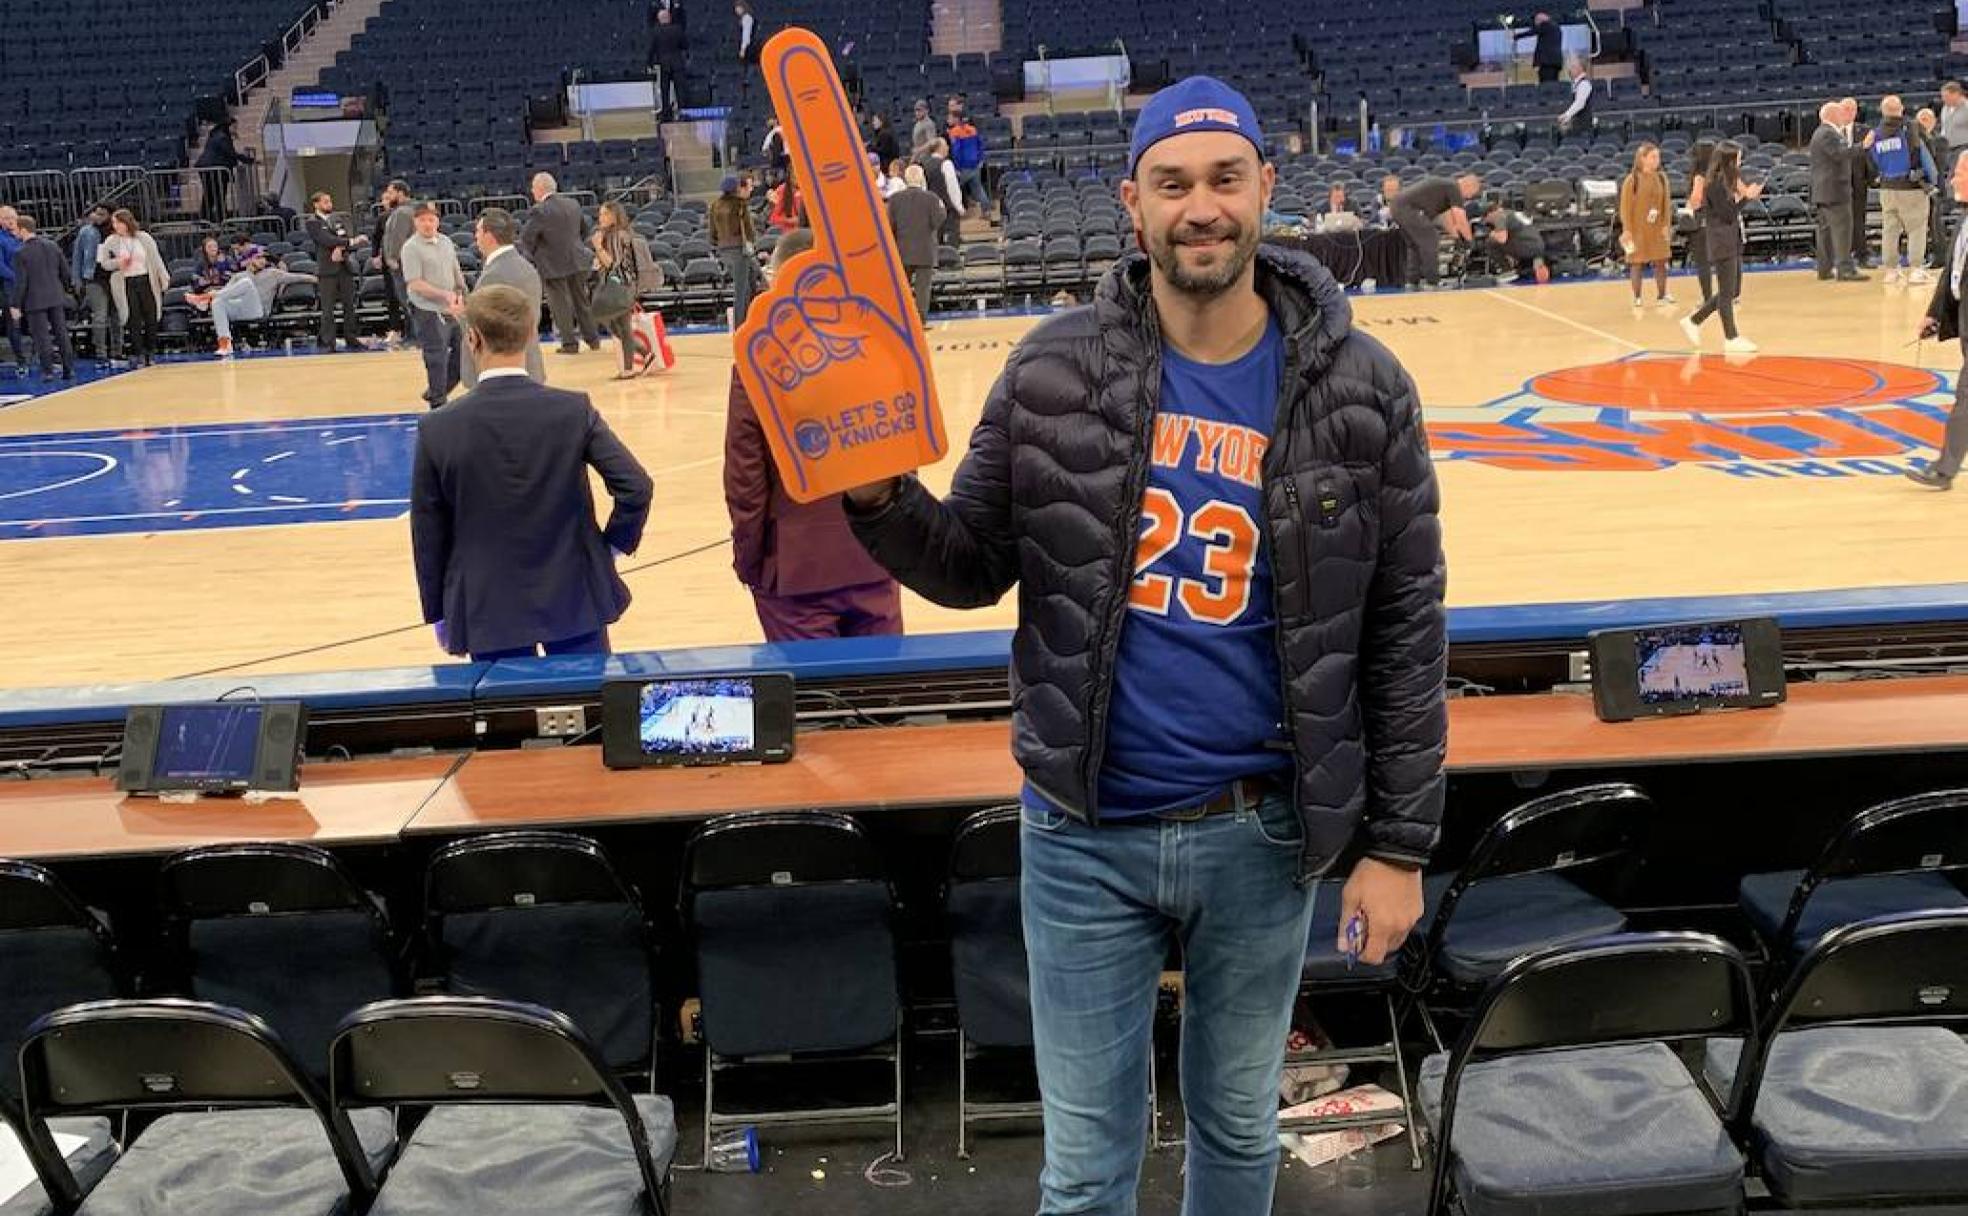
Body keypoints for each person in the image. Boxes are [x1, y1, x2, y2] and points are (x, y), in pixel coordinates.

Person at [843, 74, 1443, 1215]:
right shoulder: (1053, 368)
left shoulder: (1364, 389)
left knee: (1235, 1135)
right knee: (1084, 1169)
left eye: (1225, 179)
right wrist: (876, 496)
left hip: (1263, 835)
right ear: (1134, 200)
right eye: (1173, 184)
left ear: (1267, 187)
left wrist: (1401, 844)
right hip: (1082, 836)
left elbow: (1404, 627)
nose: (1201, 207)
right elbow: (971, 562)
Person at [411, 284, 653, 660]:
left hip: (486, 606)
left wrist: (440, 611)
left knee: (507, 716)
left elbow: (428, 531)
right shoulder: (572, 410)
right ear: (530, 333)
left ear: (472, 338)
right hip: (574, 594)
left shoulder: (438, 427)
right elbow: (635, 486)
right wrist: (610, 548)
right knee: (588, 709)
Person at [724, 226, 905, 642]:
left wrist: (750, 560)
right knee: (885, 702)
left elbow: (744, 478)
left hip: (795, 567)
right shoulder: (882, 348)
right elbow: (902, 456)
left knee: (811, 704)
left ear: (781, 279)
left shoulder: (757, 363)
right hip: (874, 557)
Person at [1910, 149, 1968, 489]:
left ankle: (1944, 470)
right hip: (1963, 323)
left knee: (1965, 400)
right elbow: (1953, 274)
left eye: (1959, 173)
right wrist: (1933, 314)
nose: (1952, 180)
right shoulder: (1963, 219)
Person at [1679, 141, 1761, 354]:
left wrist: (1744, 196)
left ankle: (1694, 320)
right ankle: (1731, 337)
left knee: (1730, 290)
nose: (1740, 162)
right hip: (1720, 240)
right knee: (1727, 293)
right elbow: (1727, 213)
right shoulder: (1714, 184)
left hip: (1729, 238)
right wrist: (1746, 198)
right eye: (1738, 158)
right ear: (1729, 161)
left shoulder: (1725, 181)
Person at [520, 173, 601, 355]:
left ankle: (570, 343)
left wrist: (531, 258)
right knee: (582, 301)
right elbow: (584, 231)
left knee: (560, 305)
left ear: (540, 189)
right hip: (577, 260)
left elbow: (527, 238)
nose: (532, 191)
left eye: (533, 187)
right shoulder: (573, 204)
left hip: (553, 264)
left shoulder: (539, 210)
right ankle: (593, 339)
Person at [464, 207, 545, 386]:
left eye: (477, 231)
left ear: (489, 236)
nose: (475, 237)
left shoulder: (494, 274)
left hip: (501, 373)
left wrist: (461, 315)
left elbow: (485, 326)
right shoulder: (526, 267)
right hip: (528, 366)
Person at [400, 201, 467, 407]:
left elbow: (455, 271)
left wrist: (461, 293)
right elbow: (415, 283)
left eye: (431, 219)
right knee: (436, 357)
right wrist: (443, 295)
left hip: (452, 307)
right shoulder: (410, 248)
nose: (427, 224)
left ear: (437, 221)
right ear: (415, 223)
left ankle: (438, 390)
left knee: (465, 353)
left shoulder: (446, 241)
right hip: (427, 309)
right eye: (422, 220)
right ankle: (438, 403)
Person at [186, 251, 314, 357]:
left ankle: (205, 298)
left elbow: (297, 277)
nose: (263, 261)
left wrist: (317, 278)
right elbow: (226, 293)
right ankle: (225, 343)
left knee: (245, 283)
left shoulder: (273, 273)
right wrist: (218, 295)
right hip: (242, 308)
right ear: (249, 260)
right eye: (259, 258)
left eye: (265, 258)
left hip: (259, 311)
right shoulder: (238, 276)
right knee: (218, 302)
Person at [1871, 96, 1938, 285]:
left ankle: (1891, 271)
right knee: (1916, 228)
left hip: (1887, 188)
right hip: (1912, 187)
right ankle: (1916, 270)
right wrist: (1932, 182)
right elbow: (1925, 156)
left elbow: (1873, 159)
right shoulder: (1912, 128)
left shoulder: (1875, 134)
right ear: (1901, 109)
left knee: (1890, 230)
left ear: (1883, 111)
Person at [7, 216, 76, 379]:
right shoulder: (52, 245)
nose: (14, 232)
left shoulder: (20, 253)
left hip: (34, 300)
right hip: (55, 296)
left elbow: (21, 282)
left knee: (41, 337)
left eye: (15, 229)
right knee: (61, 334)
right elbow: (65, 272)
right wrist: (64, 290)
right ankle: (69, 369)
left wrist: (15, 304)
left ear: (23, 230)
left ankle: (48, 371)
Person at [590, 200, 652, 380]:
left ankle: (629, 368)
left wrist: (598, 247)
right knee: (616, 325)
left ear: (613, 216)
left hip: (622, 285)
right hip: (615, 285)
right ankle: (645, 355)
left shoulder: (619, 235)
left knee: (622, 327)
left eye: (603, 214)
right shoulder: (609, 234)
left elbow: (613, 264)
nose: (600, 218)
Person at [98, 209, 167, 367]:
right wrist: (117, 263)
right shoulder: (111, 241)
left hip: (146, 280)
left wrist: (163, 277)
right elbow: (103, 263)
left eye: (118, 222)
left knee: (151, 317)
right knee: (132, 318)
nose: (115, 226)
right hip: (126, 282)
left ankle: (151, 351)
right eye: (114, 223)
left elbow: (156, 259)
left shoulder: (144, 237)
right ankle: (139, 353)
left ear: (126, 222)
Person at [1810, 102, 1868, 281]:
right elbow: (1839, 154)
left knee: (1826, 232)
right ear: (1832, 115)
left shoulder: (1820, 133)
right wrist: (1862, 146)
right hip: (1835, 191)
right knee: (1842, 230)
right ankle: (1845, 269)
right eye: (1840, 112)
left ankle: (1825, 268)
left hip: (1825, 191)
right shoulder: (1828, 133)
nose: (1843, 115)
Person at [305, 191, 369, 351]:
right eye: (325, 202)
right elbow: (324, 239)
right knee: (328, 309)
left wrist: (341, 247)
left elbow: (342, 236)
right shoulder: (312, 222)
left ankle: (351, 337)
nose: (329, 204)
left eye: (330, 201)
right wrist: (347, 242)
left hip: (343, 266)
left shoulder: (337, 218)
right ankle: (328, 342)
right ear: (316, 204)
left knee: (349, 305)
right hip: (327, 269)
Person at [1391, 173, 1478, 288]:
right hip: (1409, 209)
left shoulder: (1445, 187)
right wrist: (1470, 241)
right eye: (1470, 194)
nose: (1468, 198)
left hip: (1397, 205)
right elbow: (1460, 217)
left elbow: (1446, 218)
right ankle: (1432, 282)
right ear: (1468, 185)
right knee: (1430, 240)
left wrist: (1457, 237)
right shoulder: (1454, 188)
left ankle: (1412, 281)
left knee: (1415, 245)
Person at [1619, 142, 1674, 308]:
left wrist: (1666, 225)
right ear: (1642, 159)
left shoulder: (1662, 178)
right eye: (1653, 157)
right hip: (1637, 229)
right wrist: (1627, 229)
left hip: (1657, 228)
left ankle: (1662, 295)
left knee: (1661, 262)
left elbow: (1666, 204)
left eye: (1658, 157)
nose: (1657, 160)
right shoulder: (1632, 180)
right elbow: (1625, 207)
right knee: (1636, 263)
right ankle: (1637, 297)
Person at [887, 163, 946, 321]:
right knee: (923, 290)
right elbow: (938, 221)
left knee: (901, 288)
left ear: (905, 178)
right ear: (921, 178)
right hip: (925, 251)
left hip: (902, 251)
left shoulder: (895, 199)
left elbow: (889, 225)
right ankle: (920, 320)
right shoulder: (932, 198)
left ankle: (902, 320)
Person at [70, 204, 121, 365]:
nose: (97, 216)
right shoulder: (86, 232)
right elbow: (77, 256)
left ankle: (117, 351)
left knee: (117, 316)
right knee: (99, 316)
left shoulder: (117, 232)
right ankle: (101, 353)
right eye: (96, 213)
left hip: (116, 277)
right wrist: (76, 280)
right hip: (94, 278)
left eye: (102, 214)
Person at [710, 174, 760, 326]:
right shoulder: (740, 204)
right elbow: (748, 227)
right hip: (740, 249)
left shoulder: (715, 205)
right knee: (741, 290)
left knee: (750, 281)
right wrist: (752, 242)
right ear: (735, 188)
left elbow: (712, 231)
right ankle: (741, 325)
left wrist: (714, 244)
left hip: (724, 250)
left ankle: (752, 317)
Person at [375, 179, 416, 345]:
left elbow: (398, 237)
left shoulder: (402, 212)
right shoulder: (401, 211)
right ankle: (412, 336)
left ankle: (415, 337)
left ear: (400, 193)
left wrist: (392, 258)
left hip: (402, 265)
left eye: (391, 192)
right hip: (403, 263)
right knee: (407, 302)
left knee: (409, 302)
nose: (388, 196)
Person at [194, 118, 255, 221]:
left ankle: (206, 218)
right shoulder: (222, 137)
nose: (236, 129)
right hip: (213, 168)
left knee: (209, 194)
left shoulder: (216, 135)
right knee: (218, 195)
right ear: (229, 126)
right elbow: (230, 153)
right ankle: (221, 219)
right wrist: (247, 160)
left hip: (208, 167)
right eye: (235, 127)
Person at [1842, 98, 1875, 267]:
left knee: (1859, 219)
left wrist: (1870, 178)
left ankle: (1862, 255)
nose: (1848, 112)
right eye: (1845, 109)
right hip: (1838, 184)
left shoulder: (1865, 131)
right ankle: (1841, 256)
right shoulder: (1831, 131)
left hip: (1859, 182)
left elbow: (1871, 156)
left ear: (1856, 112)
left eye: (1851, 109)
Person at [1482, 202, 1548, 282]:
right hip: (1539, 245)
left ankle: (1507, 271)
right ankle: (1538, 263)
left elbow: (1502, 239)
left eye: (1487, 219)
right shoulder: (1514, 213)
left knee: (1490, 242)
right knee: (1515, 237)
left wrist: (1492, 234)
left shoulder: (1499, 216)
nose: (1488, 222)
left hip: (1525, 246)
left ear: (1490, 214)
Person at [947, 103, 988, 214]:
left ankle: (955, 213)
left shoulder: (954, 132)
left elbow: (956, 151)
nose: (948, 119)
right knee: (978, 189)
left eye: (950, 117)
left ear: (956, 119)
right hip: (975, 165)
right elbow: (980, 145)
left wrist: (957, 167)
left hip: (963, 167)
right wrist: (981, 160)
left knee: (954, 188)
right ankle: (986, 211)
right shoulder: (973, 129)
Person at [649, 5, 688, 118]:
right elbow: (685, 45)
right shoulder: (678, 29)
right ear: (669, 18)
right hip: (677, 62)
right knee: (679, 88)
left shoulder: (656, 32)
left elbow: (652, 49)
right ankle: (682, 111)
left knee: (664, 89)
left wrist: (649, 62)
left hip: (664, 64)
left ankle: (666, 112)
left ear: (659, 19)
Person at [925, 137, 966, 245]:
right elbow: (952, 187)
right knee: (950, 247)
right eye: (946, 145)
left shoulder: (924, 164)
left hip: (931, 210)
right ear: (940, 148)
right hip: (948, 210)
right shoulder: (946, 164)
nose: (948, 147)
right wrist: (959, 207)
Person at [0, 207, 25, 371]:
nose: (11, 221)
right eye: (7, 218)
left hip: (29, 285)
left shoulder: (21, 237)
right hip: (10, 286)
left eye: (13, 218)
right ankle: (21, 360)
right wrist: (18, 279)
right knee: (14, 323)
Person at [1511, 11, 1564, 83]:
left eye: (1535, 21)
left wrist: (1516, 36)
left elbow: (1531, 32)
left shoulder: (1546, 25)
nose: (1535, 24)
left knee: (1546, 85)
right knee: (1554, 84)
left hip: (1547, 63)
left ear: (1539, 20)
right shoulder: (1556, 27)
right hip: (1555, 63)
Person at [1556, 57, 1594, 133]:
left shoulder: (1584, 84)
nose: (1570, 70)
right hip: (1577, 126)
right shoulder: (1576, 85)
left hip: (1583, 127)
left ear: (1580, 68)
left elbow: (1580, 103)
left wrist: (1566, 115)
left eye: (1573, 67)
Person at [1940, 81, 1968, 170]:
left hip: (1963, 148)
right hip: (1947, 149)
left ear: (1956, 94)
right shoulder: (1945, 108)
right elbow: (1944, 127)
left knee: (1954, 176)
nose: (1943, 99)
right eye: (1943, 96)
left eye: (1946, 96)